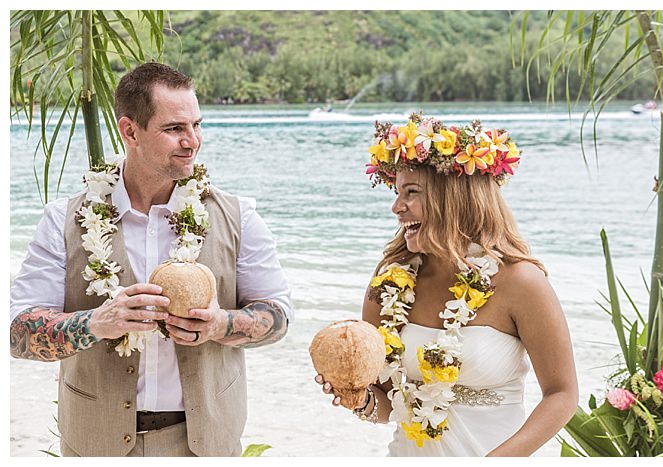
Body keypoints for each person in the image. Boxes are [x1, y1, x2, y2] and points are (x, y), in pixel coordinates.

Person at [10, 62, 293, 457]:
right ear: (130, 131)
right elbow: (18, 334)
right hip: (95, 446)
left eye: (197, 125)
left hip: (204, 447)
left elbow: (278, 316)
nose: (192, 141)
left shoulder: (238, 216)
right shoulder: (62, 220)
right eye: (175, 128)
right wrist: (95, 322)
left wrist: (220, 324)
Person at [316, 114, 578, 456]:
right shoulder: (389, 283)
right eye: (397, 193)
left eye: (412, 193)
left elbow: (562, 395)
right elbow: (388, 405)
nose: (397, 207)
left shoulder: (521, 282)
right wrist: (357, 396)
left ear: (453, 197)